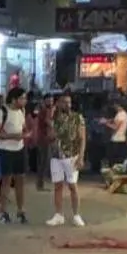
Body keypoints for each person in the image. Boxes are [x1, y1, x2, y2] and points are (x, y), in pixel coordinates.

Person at [47, 90, 87, 226]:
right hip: (56, 156)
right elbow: (50, 136)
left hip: (71, 155)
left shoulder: (77, 118)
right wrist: (51, 119)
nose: (67, 105)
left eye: (69, 102)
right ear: (58, 104)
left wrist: (81, 156)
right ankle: (58, 214)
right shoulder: (54, 119)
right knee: (58, 185)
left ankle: (76, 214)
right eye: (64, 102)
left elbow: (82, 138)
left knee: (72, 186)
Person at [0, 87, 29, 224]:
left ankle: (21, 211)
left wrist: (25, 133)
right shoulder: (2, 112)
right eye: (22, 98)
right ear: (14, 99)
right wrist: (13, 136)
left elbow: (23, 126)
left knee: (20, 180)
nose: (25, 101)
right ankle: (4, 212)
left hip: (19, 149)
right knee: (6, 181)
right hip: (5, 150)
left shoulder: (22, 111)